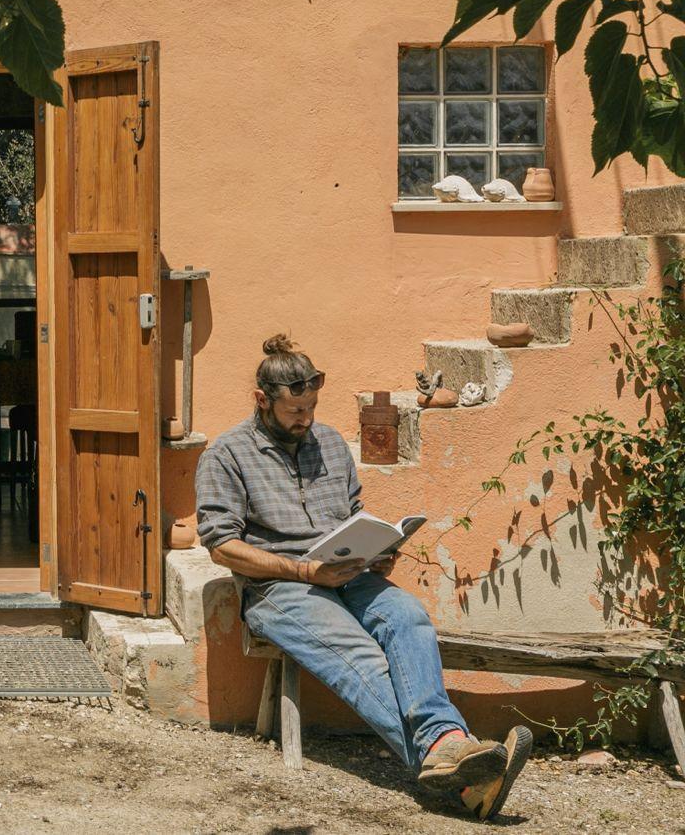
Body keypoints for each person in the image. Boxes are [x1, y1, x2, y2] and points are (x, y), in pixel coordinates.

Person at [195, 334, 532, 821]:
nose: (306, 420)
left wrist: (377, 551)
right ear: (262, 401)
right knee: (360, 655)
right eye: (295, 412)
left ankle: (456, 762)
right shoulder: (226, 454)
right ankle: (451, 757)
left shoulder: (329, 442)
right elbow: (222, 546)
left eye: (312, 408)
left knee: (407, 616)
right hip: (279, 588)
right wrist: (305, 570)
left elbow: (352, 514)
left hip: (350, 575)